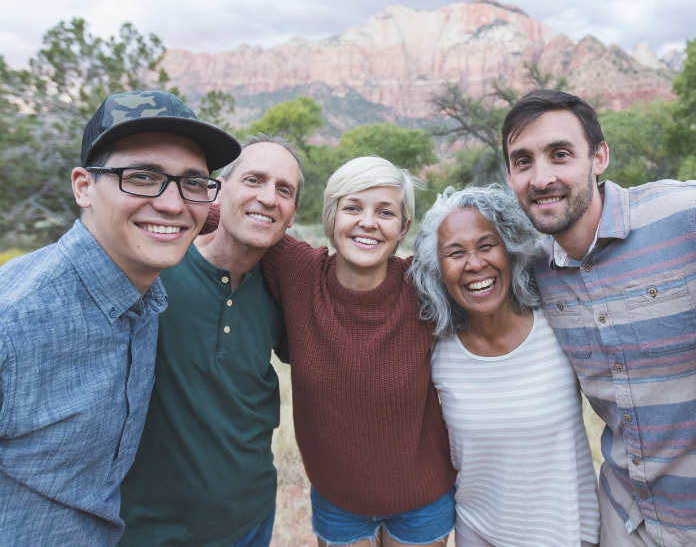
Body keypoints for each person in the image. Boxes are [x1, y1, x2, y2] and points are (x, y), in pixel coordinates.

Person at [0, 90, 240, 546]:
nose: (172, 204)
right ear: (83, 186)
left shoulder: (144, 294)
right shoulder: (13, 320)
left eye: (193, 182)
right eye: (142, 176)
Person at [504, 89, 696, 547]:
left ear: (599, 157)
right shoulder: (532, 274)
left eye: (561, 154)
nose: (541, 177)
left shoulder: (682, 216)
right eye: (523, 161)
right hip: (625, 518)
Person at [257, 156, 457, 547]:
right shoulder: (298, 272)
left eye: (385, 212)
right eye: (352, 207)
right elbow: (223, 210)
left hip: (423, 500)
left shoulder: (425, 283)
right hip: (338, 501)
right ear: (331, 217)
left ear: (403, 228)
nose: (368, 222)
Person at [118, 134, 303, 547]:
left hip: (252, 518)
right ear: (218, 191)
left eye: (284, 190)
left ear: (291, 215)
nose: (269, 198)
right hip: (148, 530)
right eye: (253, 180)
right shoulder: (156, 267)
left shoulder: (284, 291)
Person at [410, 185, 601, 547]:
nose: (475, 264)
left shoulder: (558, 325)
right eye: (455, 253)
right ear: (437, 269)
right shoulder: (435, 352)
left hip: (568, 534)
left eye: (486, 246)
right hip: (477, 534)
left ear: (511, 250)